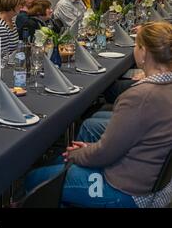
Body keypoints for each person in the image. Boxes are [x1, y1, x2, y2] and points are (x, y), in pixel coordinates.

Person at [25, 21, 172, 208]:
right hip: (152, 181)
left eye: (136, 45)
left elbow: (105, 154)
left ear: (143, 52)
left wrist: (77, 154)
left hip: (127, 190)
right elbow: (126, 141)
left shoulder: (139, 97)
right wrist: (88, 149)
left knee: (36, 180)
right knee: (64, 163)